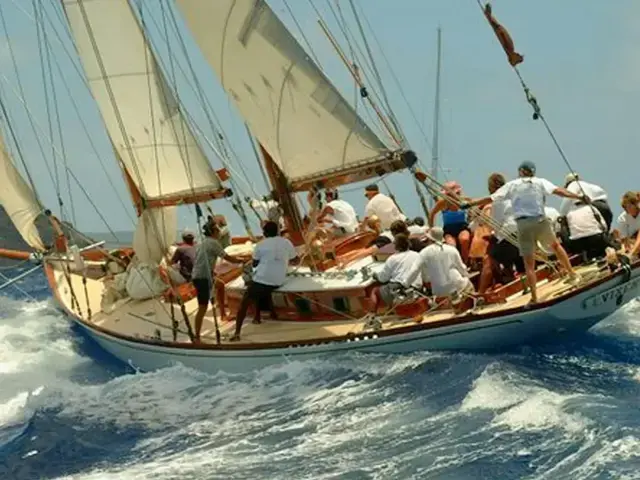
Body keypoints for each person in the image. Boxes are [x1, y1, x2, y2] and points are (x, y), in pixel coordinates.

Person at [462, 161, 584, 304]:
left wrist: (470, 204)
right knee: (556, 246)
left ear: (520, 171)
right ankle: (572, 274)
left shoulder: (512, 185)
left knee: (529, 264)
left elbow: (490, 198)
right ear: (533, 172)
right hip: (540, 221)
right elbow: (560, 191)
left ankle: (534, 297)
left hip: (524, 225)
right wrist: (579, 197)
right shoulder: (540, 181)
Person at [230, 221, 298, 341]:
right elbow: (295, 259)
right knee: (261, 286)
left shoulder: (260, 245)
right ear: (277, 231)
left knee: (246, 299)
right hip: (279, 279)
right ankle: (269, 314)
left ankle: (237, 333)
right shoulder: (286, 242)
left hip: (263, 281)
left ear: (264, 233)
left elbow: (255, 263)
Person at [191, 223, 245, 343]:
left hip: (199, 275)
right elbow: (227, 257)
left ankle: (223, 315)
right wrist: (242, 261)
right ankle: (197, 337)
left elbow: (201, 260)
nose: (219, 232)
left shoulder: (202, 243)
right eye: (217, 230)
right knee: (202, 307)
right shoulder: (213, 243)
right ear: (213, 232)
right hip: (202, 278)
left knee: (220, 285)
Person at [478, 173, 524, 293]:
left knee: (489, 258)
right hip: (523, 233)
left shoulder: (497, 200)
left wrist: (492, 236)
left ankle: (481, 293)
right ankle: (511, 279)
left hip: (510, 235)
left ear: (492, 188)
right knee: (504, 251)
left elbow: (496, 224)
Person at [404, 226, 474, 299]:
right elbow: (462, 269)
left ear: (429, 239)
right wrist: (466, 275)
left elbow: (415, 270)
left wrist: (405, 284)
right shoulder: (452, 249)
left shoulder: (423, 253)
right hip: (459, 287)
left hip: (440, 293)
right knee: (468, 284)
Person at [369, 234, 422, 312]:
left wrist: (375, 276)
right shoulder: (417, 255)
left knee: (374, 290)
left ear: (395, 246)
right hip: (417, 289)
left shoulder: (392, 259)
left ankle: (373, 315)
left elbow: (383, 279)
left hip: (399, 290)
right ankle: (395, 310)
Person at [428, 181, 471, 263]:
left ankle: (465, 262)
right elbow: (432, 214)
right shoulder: (442, 203)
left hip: (462, 227)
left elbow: (476, 205)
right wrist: (432, 229)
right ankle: (457, 263)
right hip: (449, 229)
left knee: (464, 240)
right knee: (452, 246)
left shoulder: (464, 201)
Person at [615, 191, 640, 256]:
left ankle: (632, 254)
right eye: (626, 207)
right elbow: (624, 239)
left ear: (635, 204)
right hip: (632, 241)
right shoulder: (622, 218)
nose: (628, 209)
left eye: (630, 206)